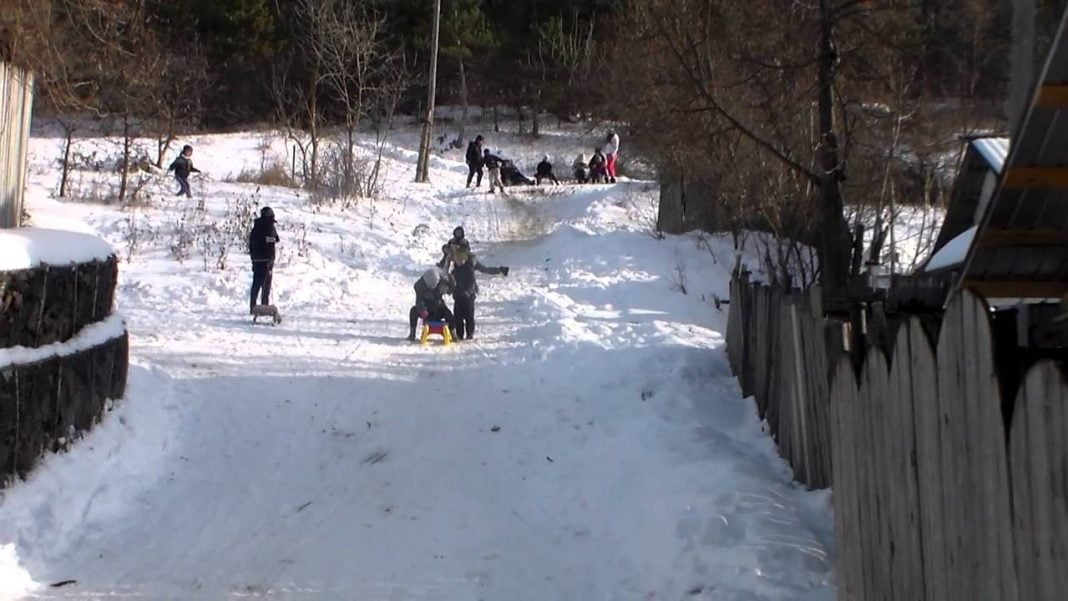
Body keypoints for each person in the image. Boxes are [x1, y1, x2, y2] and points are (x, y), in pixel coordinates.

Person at [449, 240, 509, 341]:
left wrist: (469, 290)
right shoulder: (456, 258)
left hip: (469, 292)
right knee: (458, 316)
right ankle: (460, 334)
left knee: (469, 315)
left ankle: (469, 333)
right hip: (459, 292)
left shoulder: (471, 259)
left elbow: (483, 270)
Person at [408, 266, 456, 341]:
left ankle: (454, 335)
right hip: (426, 311)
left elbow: (450, 289)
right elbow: (419, 301)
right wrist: (422, 310)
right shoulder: (419, 286)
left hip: (438, 309)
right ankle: (412, 334)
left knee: (449, 314)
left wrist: (452, 282)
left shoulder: (442, 283)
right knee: (413, 311)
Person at [248, 207, 280, 313]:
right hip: (267, 260)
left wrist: (253, 258)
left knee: (256, 283)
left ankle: (253, 306)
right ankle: (264, 307)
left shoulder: (255, 227)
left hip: (256, 259)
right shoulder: (269, 227)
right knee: (266, 285)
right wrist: (270, 240)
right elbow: (274, 239)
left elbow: (251, 243)